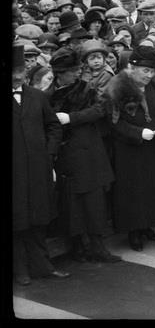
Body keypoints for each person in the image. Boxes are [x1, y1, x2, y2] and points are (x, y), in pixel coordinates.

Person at [104, 45, 155, 252]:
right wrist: (138, 133)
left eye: (152, 71)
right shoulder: (118, 87)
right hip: (130, 150)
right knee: (134, 191)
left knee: (153, 187)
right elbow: (114, 122)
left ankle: (149, 225)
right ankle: (134, 231)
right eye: (145, 71)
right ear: (132, 67)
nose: (149, 75)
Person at [47, 47, 120, 263]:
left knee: (94, 203)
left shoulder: (86, 89)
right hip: (66, 155)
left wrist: (71, 118)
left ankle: (98, 246)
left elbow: (100, 110)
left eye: (78, 69)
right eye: (72, 71)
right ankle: (78, 246)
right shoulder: (47, 95)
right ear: (60, 74)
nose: (77, 74)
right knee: (72, 204)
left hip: (89, 153)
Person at [13, 44, 69, 285]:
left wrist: (49, 152)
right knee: (17, 221)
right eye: (14, 71)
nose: (17, 76)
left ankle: (42, 266)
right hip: (14, 172)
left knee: (38, 219)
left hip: (38, 169)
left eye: (20, 70)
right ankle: (20, 270)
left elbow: (53, 126)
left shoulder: (37, 96)